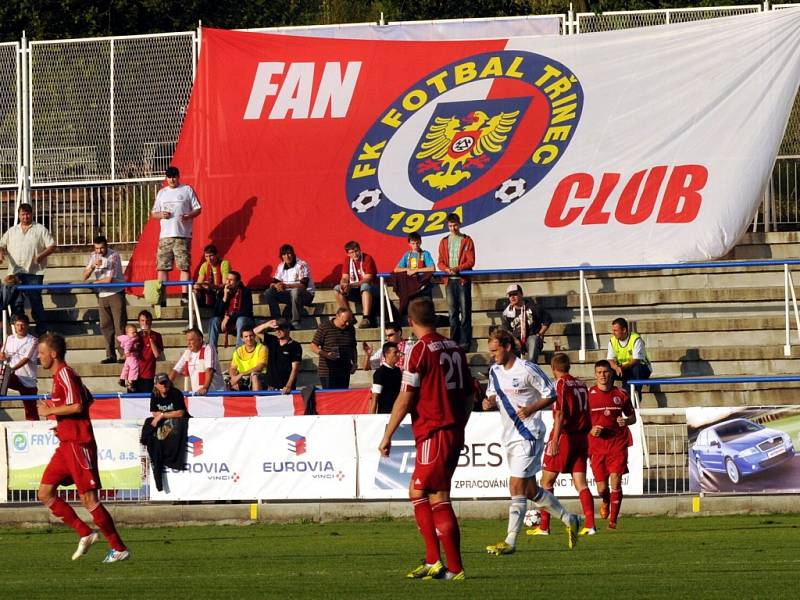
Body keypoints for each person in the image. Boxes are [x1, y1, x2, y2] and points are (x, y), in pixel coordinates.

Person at [379, 297, 473, 581]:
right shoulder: (454, 346)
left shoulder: (419, 351)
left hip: (434, 430)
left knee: (424, 493)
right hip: (452, 429)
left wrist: (387, 435)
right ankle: (438, 562)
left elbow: (405, 398)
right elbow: (470, 393)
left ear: (410, 322)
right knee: (430, 493)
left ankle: (450, 567)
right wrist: (460, 424)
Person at [481, 330, 580, 555]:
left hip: (529, 434)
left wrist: (531, 408)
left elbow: (551, 393)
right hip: (510, 435)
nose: (493, 355)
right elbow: (494, 394)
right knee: (530, 490)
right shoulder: (494, 370)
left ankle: (510, 541)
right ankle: (569, 518)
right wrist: (489, 402)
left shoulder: (527, 369)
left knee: (515, 486)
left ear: (507, 347)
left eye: (495, 351)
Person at [34, 332, 129, 563]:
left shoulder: (65, 373)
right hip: (66, 443)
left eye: (42, 353)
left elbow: (77, 405)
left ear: (53, 354)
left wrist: (51, 411)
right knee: (45, 493)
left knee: (89, 499)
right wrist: (63, 425)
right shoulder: (61, 377)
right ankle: (85, 533)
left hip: (78, 444)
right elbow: (87, 398)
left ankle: (119, 548)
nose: (39, 358)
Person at [534, 352, 596, 537]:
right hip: (581, 437)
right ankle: (590, 525)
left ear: (553, 369)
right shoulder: (581, 384)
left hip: (566, 436)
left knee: (546, 481)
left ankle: (544, 526)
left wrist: (555, 440)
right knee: (581, 483)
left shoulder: (561, 384)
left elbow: (560, 414)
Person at [588, 360, 637, 530]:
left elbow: (633, 417)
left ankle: (613, 521)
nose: (602, 375)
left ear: (611, 374)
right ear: (595, 375)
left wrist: (625, 421)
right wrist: (591, 429)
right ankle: (605, 500)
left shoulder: (621, 394)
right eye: (599, 372)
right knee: (602, 487)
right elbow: (582, 421)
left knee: (616, 480)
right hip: (596, 446)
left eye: (606, 372)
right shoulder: (588, 395)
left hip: (617, 443)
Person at [0, 203, 57, 335]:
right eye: (22, 214)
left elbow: (52, 246)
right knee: (16, 302)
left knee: (36, 302)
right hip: (15, 273)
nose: (25, 217)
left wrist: (41, 256)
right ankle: (16, 332)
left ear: (31, 214)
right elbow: (2, 244)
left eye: (27, 214)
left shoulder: (40, 229)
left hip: (34, 273)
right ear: (19, 215)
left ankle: (42, 332)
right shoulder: (12, 230)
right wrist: (1, 252)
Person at [151, 165, 202, 302]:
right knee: (162, 267)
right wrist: (161, 214)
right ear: (166, 178)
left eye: (174, 176)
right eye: (169, 177)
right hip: (165, 236)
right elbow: (154, 213)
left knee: (183, 266)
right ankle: (161, 297)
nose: (172, 179)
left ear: (178, 177)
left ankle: (185, 295)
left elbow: (198, 208)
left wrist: (188, 215)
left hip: (182, 234)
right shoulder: (162, 192)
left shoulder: (186, 189)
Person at [83, 235, 127, 364]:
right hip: (102, 295)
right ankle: (110, 355)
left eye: (102, 248)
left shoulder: (114, 256)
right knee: (105, 326)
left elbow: (108, 280)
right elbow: (84, 276)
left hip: (115, 293)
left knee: (119, 325)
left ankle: (124, 354)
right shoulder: (93, 256)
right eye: (97, 248)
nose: (99, 251)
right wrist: (91, 267)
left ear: (106, 246)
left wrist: (94, 283)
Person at [142, 372, 189, 492]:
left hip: (179, 422)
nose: (164, 385)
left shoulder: (176, 393)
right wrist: (163, 416)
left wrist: (163, 415)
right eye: (161, 383)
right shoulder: (154, 394)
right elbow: (154, 413)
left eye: (166, 382)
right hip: (166, 423)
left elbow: (180, 413)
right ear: (156, 385)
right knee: (149, 425)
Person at [437, 212, 475, 351]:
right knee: (452, 314)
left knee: (465, 313)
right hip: (449, 281)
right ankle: (454, 341)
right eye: (450, 225)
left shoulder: (467, 240)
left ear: (459, 224)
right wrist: (446, 269)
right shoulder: (444, 241)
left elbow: (471, 261)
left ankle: (465, 342)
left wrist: (457, 269)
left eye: (455, 225)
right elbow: (440, 261)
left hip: (462, 280)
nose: (453, 228)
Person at [263, 244, 315, 329]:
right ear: (281, 256)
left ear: (293, 254)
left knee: (295, 291)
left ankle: (295, 321)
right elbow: (272, 283)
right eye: (284, 254)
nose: (287, 256)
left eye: (289, 253)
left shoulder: (301, 265)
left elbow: (303, 286)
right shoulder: (281, 266)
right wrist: (276, 285)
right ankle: (277, 319)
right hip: (289, 294)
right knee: (269, 292)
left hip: (306, 295)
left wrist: (286, 285)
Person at [0, 313, 39, 420]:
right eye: (18, 325)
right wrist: (3, 356)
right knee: (3, 377)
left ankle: (34, 428)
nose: (20, 327)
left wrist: (12, 369)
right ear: (14, 326)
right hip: (12, 377)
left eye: (22, 325)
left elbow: (26, 359)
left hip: (27, 379)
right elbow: (3, 355)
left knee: (31, 411)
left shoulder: (33, 341)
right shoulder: (9, 338)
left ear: (27, 326)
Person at [501, 284, 552, 364]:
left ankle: (532, 368)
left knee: (533, 340)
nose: (512, 297)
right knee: (504, 344)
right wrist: (515, 340)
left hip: (532, 338)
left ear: (521, 294)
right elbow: (506, 331)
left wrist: (540, 333)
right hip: (516, 340)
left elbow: (547, 319)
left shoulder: (533, 307)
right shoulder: (506, 313)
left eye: (515, 294)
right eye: (510, 295)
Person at [334, 241, 378, 329]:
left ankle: (366, 318)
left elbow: (368, 279)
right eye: (352, 252)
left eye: (356, 251)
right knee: (337, 289)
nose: (355, 254)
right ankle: (349, 316)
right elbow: (345, 277)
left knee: (365, 286)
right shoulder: (347, 260)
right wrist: (343, 284)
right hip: (355, 288)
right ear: (348, 254)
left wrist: (351, 286)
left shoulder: (367, 258)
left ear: (360, 250)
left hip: (372, 289)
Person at [310, 308, 357, 389]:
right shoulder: (325, 327)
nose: (347, 324)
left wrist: (355, 363)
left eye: (349, 321)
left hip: (344, 370)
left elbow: (353, 347)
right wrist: (326, 354)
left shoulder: (350, 328)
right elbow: (313, 345)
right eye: (345, 321)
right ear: (337, 316)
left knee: (343, 397)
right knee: (330, 397)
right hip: (328, 371)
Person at [392, 232, 435, 321]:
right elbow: (396, 269)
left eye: (417, 243)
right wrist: (407, 269)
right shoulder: (407, 255)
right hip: (410, 289)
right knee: (412, 314)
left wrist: (416, 270)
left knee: (424, 314)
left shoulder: (425, 254)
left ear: (420, 242)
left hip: (423, 288)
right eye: (413, 243)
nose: (415, 245)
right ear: (409, 244)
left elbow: (432, 268)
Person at [254, 319, 302, 394]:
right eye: (276, 329)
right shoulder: (272, 340)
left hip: (285, 388)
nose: (277, 331)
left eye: (280, 329)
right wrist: (267, 324)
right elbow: (255, 331)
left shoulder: (295, 346)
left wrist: (288, 386)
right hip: (271, 388)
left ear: (288, 329)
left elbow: (295, 368)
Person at [208, 271, 254, 349]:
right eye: (227, 279)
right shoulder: (222, 291)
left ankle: (239, 351)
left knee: (241, 320)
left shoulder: (245, 291)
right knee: (214, 320)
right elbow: (217, 313)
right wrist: (225, 297)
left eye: (231, 280)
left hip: (244, 321)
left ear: (238, 282)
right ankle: (212, 351)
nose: (228, 282)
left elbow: (246, 311)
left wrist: (229, 317)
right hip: (226, 322)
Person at [170, 327, 224, 394]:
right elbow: (175, 370)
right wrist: (166, 386)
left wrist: (205, 388)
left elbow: (209, 370)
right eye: (187, 340)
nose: (188, 343)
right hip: (199, 394)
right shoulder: (187, 352)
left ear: (200, 339)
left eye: (191, 340)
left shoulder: (208, 349)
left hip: (215, 393)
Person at [607, 317, 652, 396]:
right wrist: (616, 367)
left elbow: (636, 360)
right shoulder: (612, 341)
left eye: (616, 330)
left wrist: (621, 368)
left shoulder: (636, 339)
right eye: (613, 330)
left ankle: (637, 395)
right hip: (623, 369)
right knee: (607, 369)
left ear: (624, 330)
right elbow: (610, 360)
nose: (613, 333)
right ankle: (608, 395)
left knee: (636, 368)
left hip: (642, 369)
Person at [227, 327, 268, 391]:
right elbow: (232, 368)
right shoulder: (238, 351)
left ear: (254, 336)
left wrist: (241, 374)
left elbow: (260, 367)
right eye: (246, 336)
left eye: (251, 336)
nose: (249, 339)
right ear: (242, 339)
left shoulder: (262, 348)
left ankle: (257, 399)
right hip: (243, 378)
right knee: (227, 380)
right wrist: (234, 378)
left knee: (254, 376)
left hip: (260, 377)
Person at [368, 342, 402, 414]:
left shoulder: (398, 371)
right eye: (395, 352)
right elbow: (375, 398)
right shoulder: (380, 373)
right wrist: (371, 420)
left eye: (398, 352)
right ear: (386, 354)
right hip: (385, 415)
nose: (398, 354)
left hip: (399, 413)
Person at [135, 310, 163, 393]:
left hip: (148, 375)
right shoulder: (135, 336)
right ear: (139, 322)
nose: (145, 323)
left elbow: (157, 355)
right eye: (142, 321)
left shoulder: (156, 336)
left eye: (147, 321)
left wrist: (150, 338)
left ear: (151, 322)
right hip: (134, 375)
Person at [117, 324, 141, 392]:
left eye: (135, 332)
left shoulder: (125, 338)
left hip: (128, 357)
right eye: (132, 332)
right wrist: (126, 352)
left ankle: (122, 379)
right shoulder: (130, 339)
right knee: (134, 367)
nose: (135, 334)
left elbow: (123, 345)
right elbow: (127, 346)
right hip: (131, 356)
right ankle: (130, 383)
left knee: (126, 368)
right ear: (127, 333)